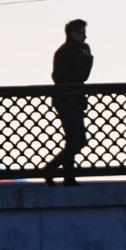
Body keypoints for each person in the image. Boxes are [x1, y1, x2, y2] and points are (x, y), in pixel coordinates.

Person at [49, 19, 92, 183]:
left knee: (74, 139)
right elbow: (81, 76)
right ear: (73, 33)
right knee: (78, 139)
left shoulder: (67, 51)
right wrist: (87, 59)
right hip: (68, 100)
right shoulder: (69, 52)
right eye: (82, 32)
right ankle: (52, 169)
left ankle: (67, 176)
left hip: (68, 100)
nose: (85, 36)